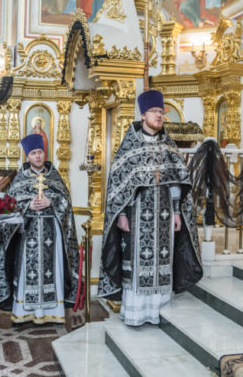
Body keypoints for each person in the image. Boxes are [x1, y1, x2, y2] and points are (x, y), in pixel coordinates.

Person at [97, 90, 203, 326]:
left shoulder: (169, 145)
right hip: (136, 216)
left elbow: (177, 182)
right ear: (143, 114)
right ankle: (137, 313)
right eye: (154, 112)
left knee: (163, 261)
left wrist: (177, 212)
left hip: (165, 215)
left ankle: (159, 313)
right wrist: (122, 214)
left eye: (161, 112)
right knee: (137, 261)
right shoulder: (129, 146)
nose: (159, 116)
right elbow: (118, 184)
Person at [0, 134, 80, 325]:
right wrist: (27, 205)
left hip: (51, 234)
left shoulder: (54, 176)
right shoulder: (20, 179)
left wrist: (51, 201)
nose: (38, 156)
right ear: (27, 156)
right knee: (26, 272)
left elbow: (66, 202)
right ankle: (24, 313)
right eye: (33, 153)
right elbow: (11, 204)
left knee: (52, 270)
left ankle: (52, 312)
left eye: (40, 152)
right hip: (27, 233)